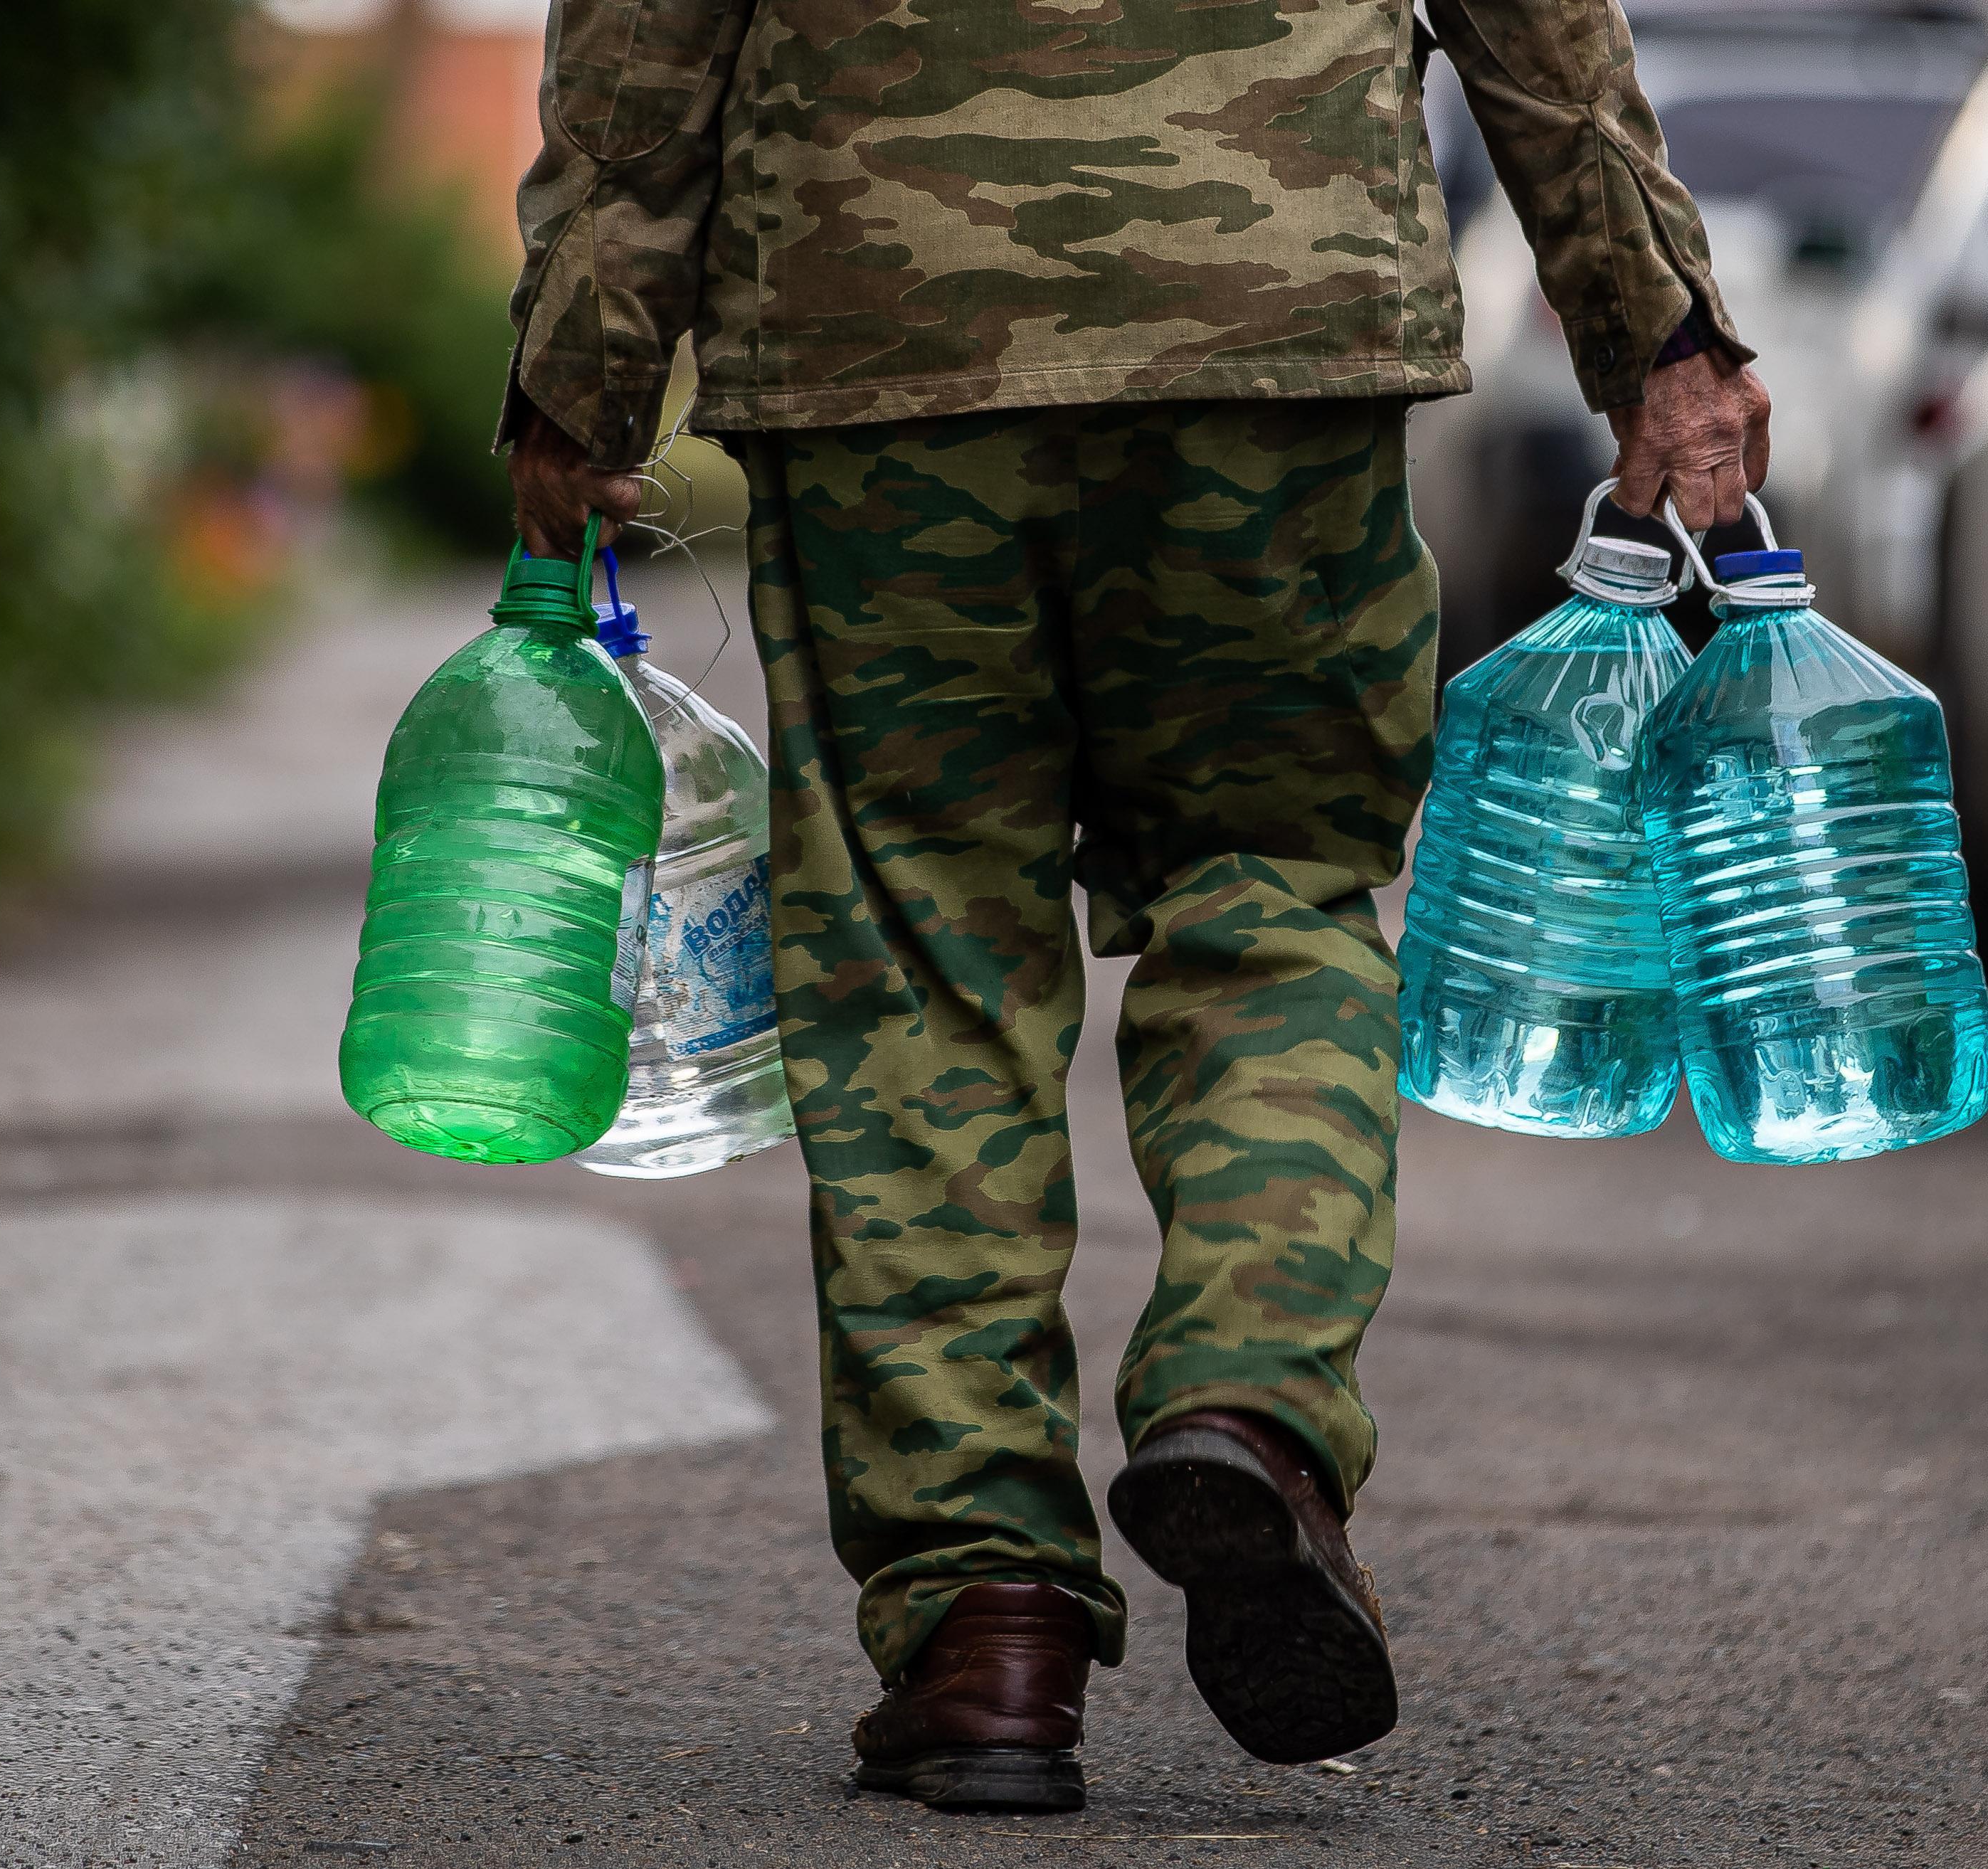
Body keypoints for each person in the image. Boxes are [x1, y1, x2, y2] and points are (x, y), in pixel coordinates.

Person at [502, 0, 1769, 1814]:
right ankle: (1245, 1402)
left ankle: (984, 1628)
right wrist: (1656, 330)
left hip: (885, 309)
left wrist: (580, 367)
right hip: (1274, 296)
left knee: (922, 948)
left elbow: (649, 33)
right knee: (1277, 891)